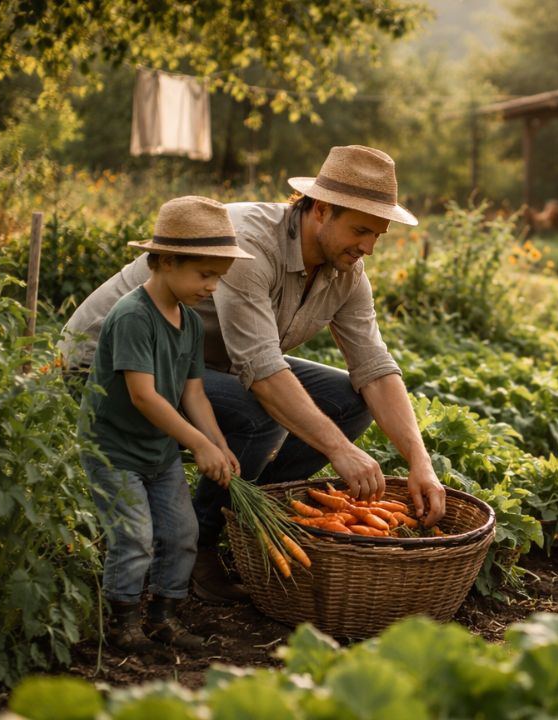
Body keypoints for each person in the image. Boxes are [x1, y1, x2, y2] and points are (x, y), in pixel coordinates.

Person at [63, 145, 447, 604]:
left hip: (202, 363)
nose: (367, 247)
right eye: (360, 229)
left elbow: (375, 368)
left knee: (348, 400)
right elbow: (262, 372)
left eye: (377, 235)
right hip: (114, 360)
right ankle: (198, 543)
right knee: (256, 413)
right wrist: (339, 451)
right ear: (321, 210)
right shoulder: (247, 243)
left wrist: (419, 462)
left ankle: (241, 514)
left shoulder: (347, 272)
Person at [80, 196, 252, 652]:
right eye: (205, 274)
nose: (213, 286)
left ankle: (164, 617)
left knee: (182, 533)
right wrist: (199, 445)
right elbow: (144, 395)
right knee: (134, 536)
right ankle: (123, 622)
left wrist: (218, 442)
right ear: (167, 261)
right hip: (115, 450)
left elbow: (193, 393)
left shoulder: (190, 322)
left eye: (218, 276)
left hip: (159, 452)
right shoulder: (133, 316)